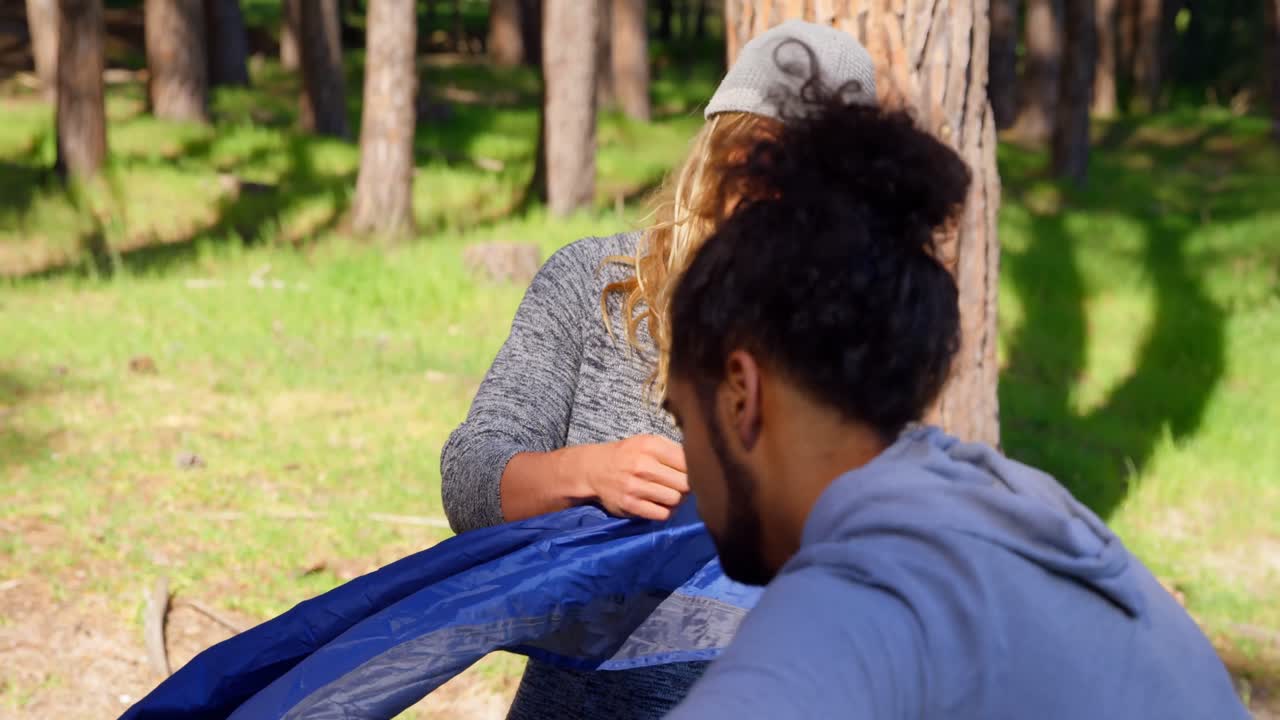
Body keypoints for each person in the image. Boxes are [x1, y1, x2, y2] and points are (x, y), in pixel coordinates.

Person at [658, 68, 1251, 719]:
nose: (688, 463)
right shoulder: (1010, 507)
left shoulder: (863, 594)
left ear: (742, 394)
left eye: (683, 419)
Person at [440, 20, 879, 719]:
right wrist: (588, 474)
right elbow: (471, 482)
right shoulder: (594, 287)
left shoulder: (858, 346)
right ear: (718, 157)